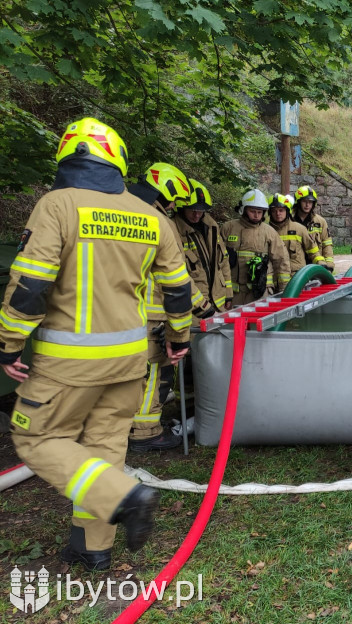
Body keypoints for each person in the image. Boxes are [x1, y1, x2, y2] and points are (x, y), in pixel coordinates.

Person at [0, 117, 192, 570]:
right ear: (118, 160)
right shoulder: (152, 218)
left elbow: (31, 283)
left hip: (68, 362)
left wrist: (9, 343)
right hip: (128, 360)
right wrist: (179, 338)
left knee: (35, 438)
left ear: (68, 155)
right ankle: (94, 547)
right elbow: (179, 288)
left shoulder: (58, 204)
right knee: (105, 448)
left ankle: (124, 497)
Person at [125, 162, 194, 452]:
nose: (171, 207)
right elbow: (176, 278)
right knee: (155, 372)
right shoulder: (157, 221)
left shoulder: (117, 210)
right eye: (173, 201)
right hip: (152, 314)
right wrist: (192, 315)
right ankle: (145, 432)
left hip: (116, 313)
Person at [173, 179, 233, 316]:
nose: (197, 215)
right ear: (181, 208)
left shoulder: (211, 227)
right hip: (193, 306)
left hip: (218, 302)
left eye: (201, 211)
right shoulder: (174, 230)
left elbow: (223, 260)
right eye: (193, 210)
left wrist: (228, 293)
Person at [222, 189, 290, 305]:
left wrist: (284, 291)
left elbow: (281, 261)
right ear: (244, 210)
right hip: (233, 293)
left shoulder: (269, 232)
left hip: (261, 292)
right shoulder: (228, 228)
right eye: (252, 211)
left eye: (259, 212)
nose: (256, 215)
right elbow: (219, 263)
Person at [269, 193, 323, 278]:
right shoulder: (267, 231)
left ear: (287, 211)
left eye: (281, 210)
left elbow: (313, 251)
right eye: (274, 211)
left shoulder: (299, 229)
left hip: (297, 279)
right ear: (269, 213)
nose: (278, 213)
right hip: (274, 280)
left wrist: (321, 263)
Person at [292, 185, 335, 273]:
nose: (307, 205)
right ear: (298, 202)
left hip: (315, 266)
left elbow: (327, 244)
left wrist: (329, 265)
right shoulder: (290, 221)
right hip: (296, 269)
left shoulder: (320, 222)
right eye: (304, 201)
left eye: (310, 202)